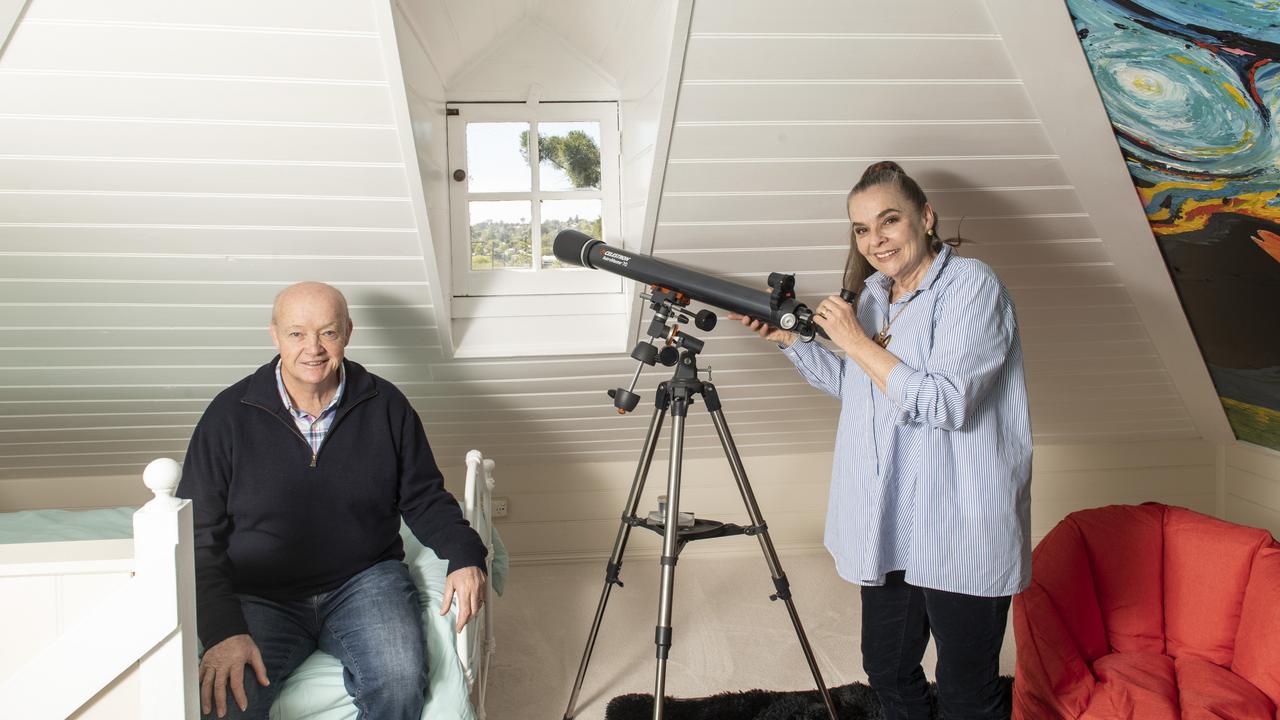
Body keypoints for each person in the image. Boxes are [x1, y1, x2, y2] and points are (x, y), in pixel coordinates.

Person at [731, 161, 1031, 720]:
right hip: (891, 519)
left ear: (926, 216)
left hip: (958, 524)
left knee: (966, 690)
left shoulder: (971, 284)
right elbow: (859, 387)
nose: (875, 240)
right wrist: (791, 343)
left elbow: (946, 403)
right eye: (862, 229)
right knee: (887, 670)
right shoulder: (872, 298)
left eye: (888, 220)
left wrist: (851, 338)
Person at [177, 281, 487, 720]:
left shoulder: (387, 405)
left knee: (399, 684)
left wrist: (465, 554)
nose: (314, 348)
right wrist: (223, 630)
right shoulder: (228, 415)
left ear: (348, 332)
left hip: (363, 581)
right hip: (261, 592)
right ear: (274, 335)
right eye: (297, 333)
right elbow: (198, 536)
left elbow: (424, 497)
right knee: (226, 702)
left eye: (328, 332)